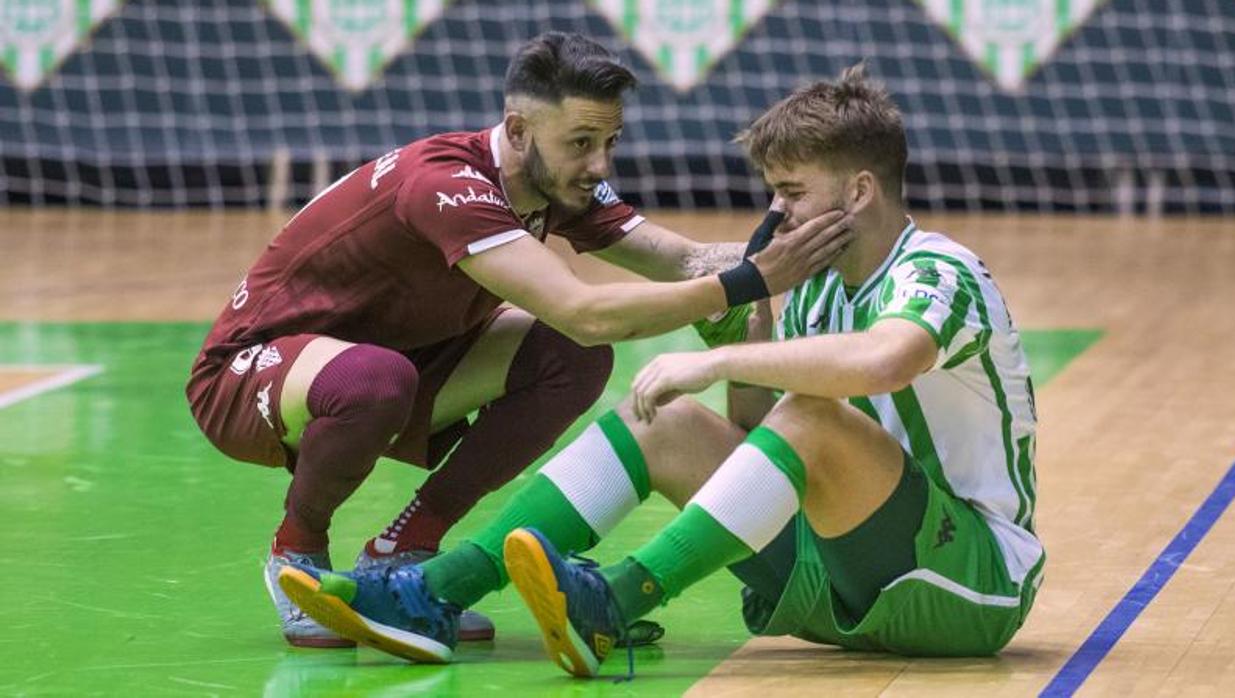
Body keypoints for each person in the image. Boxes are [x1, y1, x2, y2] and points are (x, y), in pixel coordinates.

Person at [275, 62, 1043, 674]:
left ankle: (614, 600)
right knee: (667, 422)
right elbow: (756, 445)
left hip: (964, 587)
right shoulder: (806, 286)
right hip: (832, 578)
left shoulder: (938, 268)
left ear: (861, 191)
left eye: (791, 193)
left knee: (808, 406)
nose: (775, 216)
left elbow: (883, 361)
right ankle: (432, 595)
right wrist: (755, 322)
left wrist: (724, 356)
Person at [186, 32, 850, 650]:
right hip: (250, 378)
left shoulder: (556, 182)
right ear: (517, 130)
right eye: (582, 142)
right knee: (384, 378)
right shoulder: (446, 184)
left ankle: (405, 554)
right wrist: (746, 284)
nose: (599, 164)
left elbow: (683, 263)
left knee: (570, 357)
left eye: (609, 142)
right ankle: (295, 552)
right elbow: (585, 308)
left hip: (402, 366)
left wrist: (814, 245)